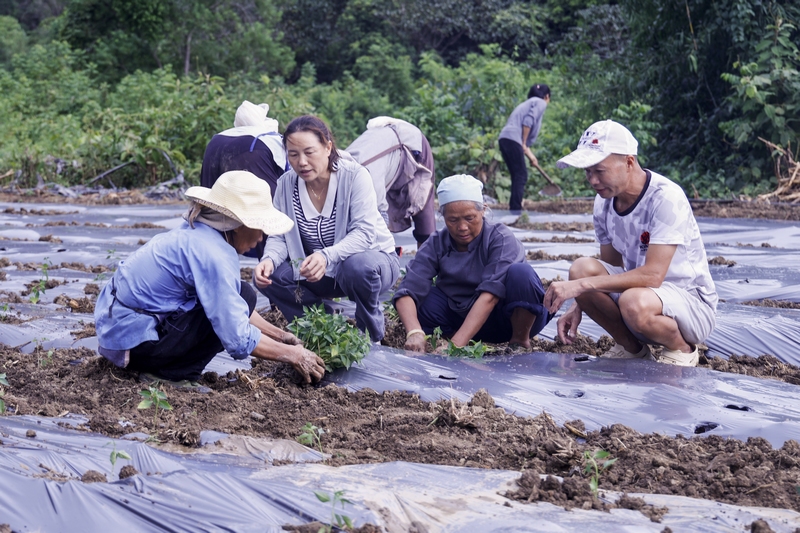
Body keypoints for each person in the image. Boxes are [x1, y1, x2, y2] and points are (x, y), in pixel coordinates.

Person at [94, 171, 326, 385]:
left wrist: (281, 335)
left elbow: (233, 302)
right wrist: (294, 355)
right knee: (224, 315)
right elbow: (237, 338)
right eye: (258, 227)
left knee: (242, 294)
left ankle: (165, 366)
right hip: (136, 344)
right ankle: (171, 375)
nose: (261, 237)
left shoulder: (197, 232)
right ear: (237, 225)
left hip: (118, 333)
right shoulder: (214, 254)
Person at [543, 120, 718, 367]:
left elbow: (654, 276)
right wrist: (580, 303)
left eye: (599, 170)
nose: (592, 180)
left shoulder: (665, 198)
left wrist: (579, 288)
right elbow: (610, 267)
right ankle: (632, 348)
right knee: (581, 268)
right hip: (641, 298)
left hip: (689, 304)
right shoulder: (603, 202)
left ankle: (682, 348)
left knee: (630, 299)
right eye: (587, 172)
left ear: (628, 162)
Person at [254, 115, 400, 343]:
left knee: (358, 267)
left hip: (372, 265)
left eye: (309, 152)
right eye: (293, 154)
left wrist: (325, 255)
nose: (301, 161)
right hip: (321, 272)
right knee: (270, 276)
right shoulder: (285, 185)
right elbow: (279, 234)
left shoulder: (354, 177)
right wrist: (269, 259)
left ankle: (371, 334)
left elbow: (364, 233)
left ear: (327, 147)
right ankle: (322, 327)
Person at [393, 174, 552, 352]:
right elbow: (407, 290)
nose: (462, 227)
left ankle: (519, 342)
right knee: (423, 298)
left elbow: (490, 296)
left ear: (483, 210)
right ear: (443, 216)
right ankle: (454, 339)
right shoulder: (437, 242)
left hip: (508, 317)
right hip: (464, 317)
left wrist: (455, 346)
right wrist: (414, 331)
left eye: (469, 218)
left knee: (522, 274)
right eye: (453, 220)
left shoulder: (500, 238)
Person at [200, 100, 287, 258]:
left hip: (215, 152)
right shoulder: (270, 138)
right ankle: (269, 272)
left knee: (213, 213)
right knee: (265, 218)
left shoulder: (218, 137)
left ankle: (212, 261)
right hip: (254, 153)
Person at [345, 117, 436, 249]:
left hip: (413, 144)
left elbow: (380, 224)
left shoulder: (365, 179)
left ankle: (428, 264)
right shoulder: (330, 173)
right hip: (382, 146)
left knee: (423, 214)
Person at [498, 83, 551, 211]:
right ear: (547, 96)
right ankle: (516, 210)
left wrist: (531, 156)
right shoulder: (540, 102)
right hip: (513, 140)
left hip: (504, 139)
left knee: (517, 175)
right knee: (521, 175)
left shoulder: (526, 104)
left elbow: (522, 143)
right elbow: (528, 121)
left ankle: (514, 208)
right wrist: (523, 142)